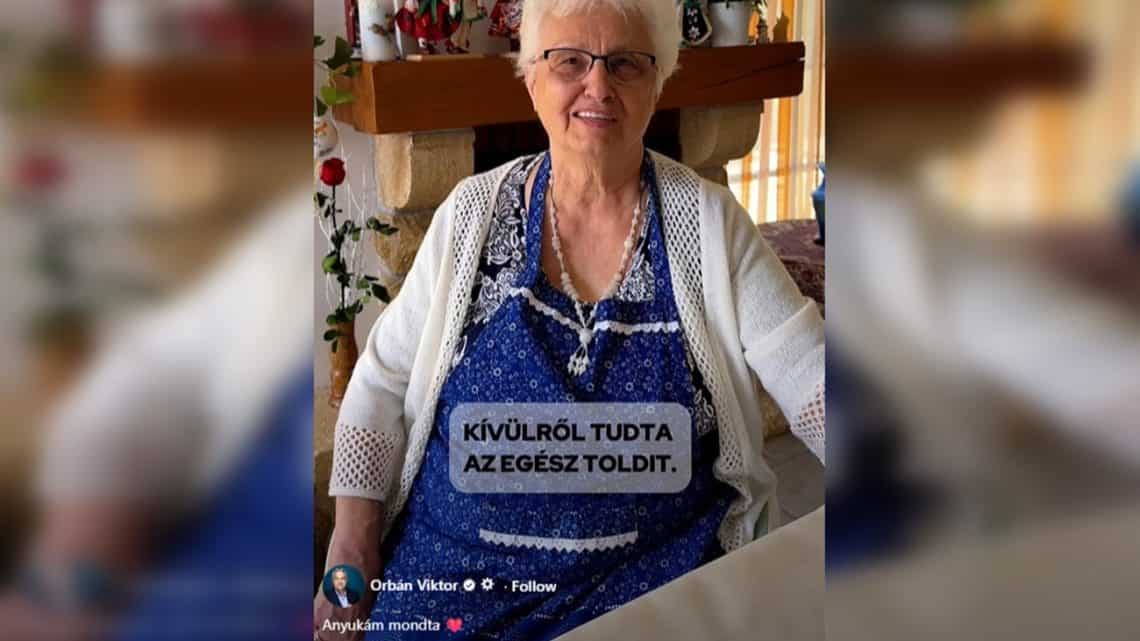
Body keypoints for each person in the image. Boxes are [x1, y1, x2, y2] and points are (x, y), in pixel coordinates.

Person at [318, 0, 825, 638]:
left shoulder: (709, 224)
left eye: (626, 63)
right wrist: (351, 546)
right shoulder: (470, 214)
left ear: (658, 81)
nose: (598, 85)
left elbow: (809, 372)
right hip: (454, 581)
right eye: (569, 61)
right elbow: (381, 381)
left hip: (651, 583)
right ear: (531, 78)